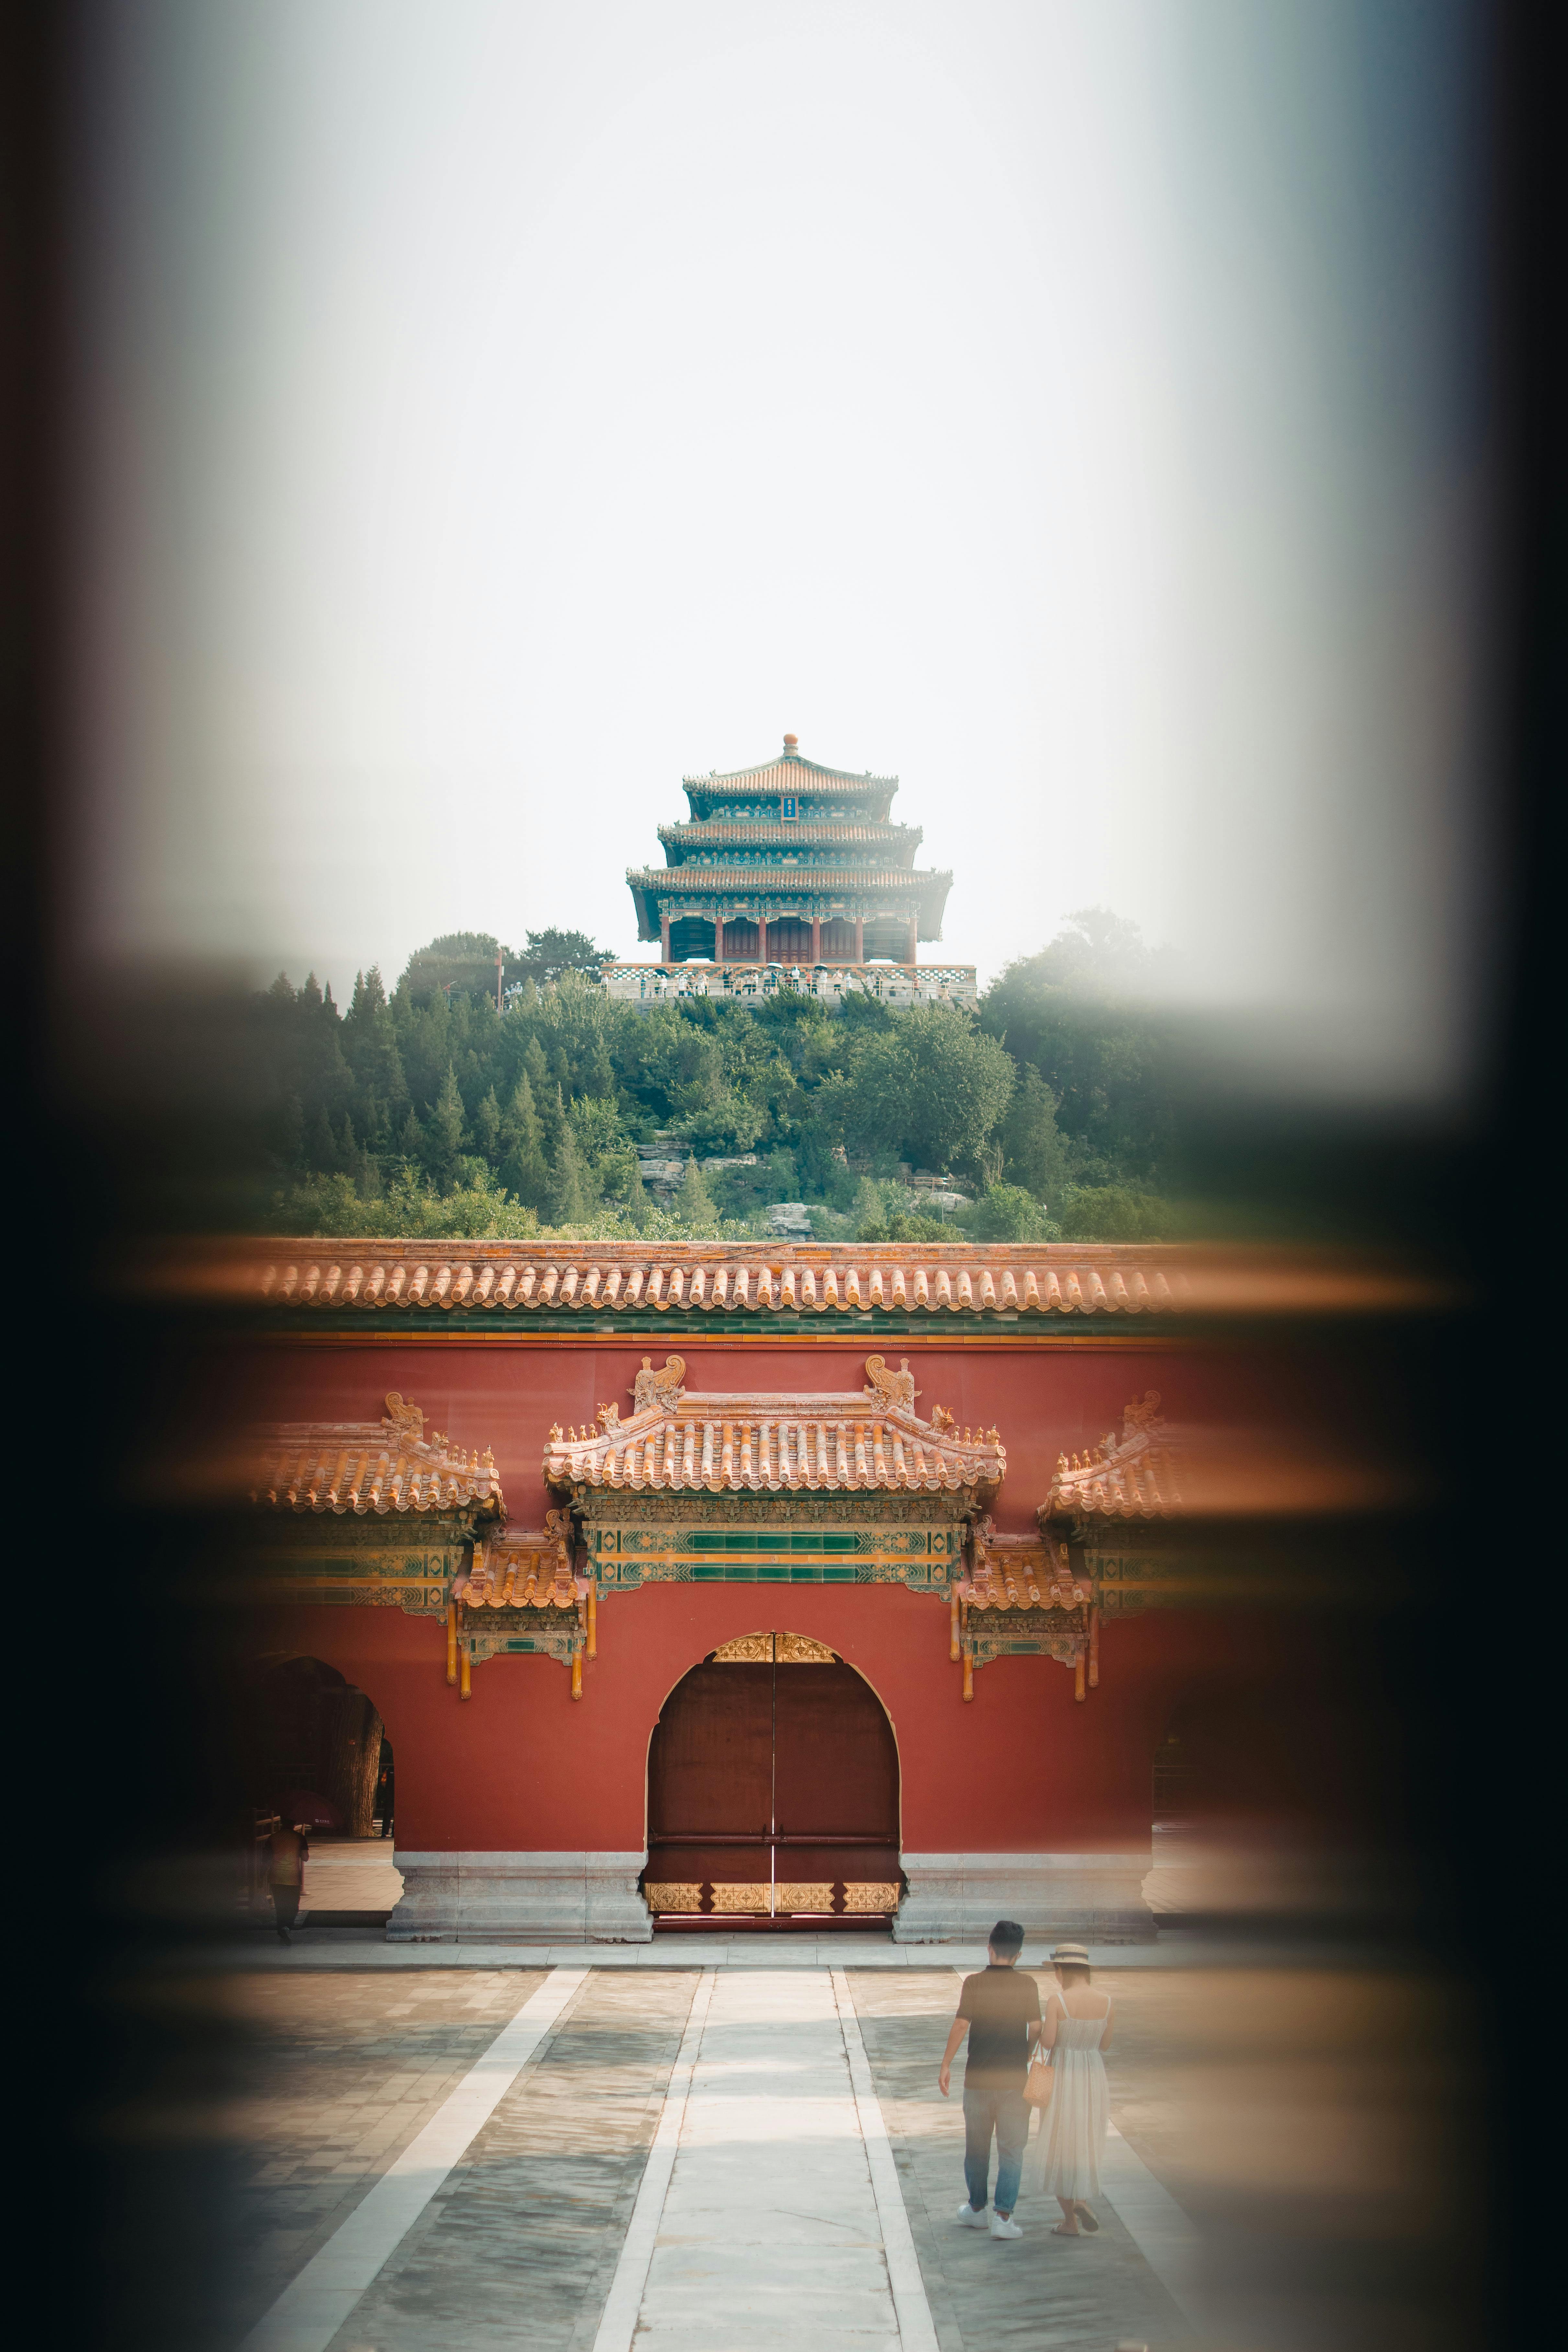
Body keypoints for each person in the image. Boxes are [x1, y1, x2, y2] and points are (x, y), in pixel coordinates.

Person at [938, 1918, 1042, 2241]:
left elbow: (960, 2025)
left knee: (977, 2148)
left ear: (990, 1948)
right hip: (1015, 2080)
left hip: (978, 2080)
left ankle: (977, 2209)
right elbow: (1037, 2027)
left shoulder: (974, 1984)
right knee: (1012, 2149)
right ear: (1019, 1955)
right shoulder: (1028, 1985)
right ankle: (1004, 2217)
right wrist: (1026, 2054)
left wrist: (945, 2065)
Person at [1027, 1940, 1113, 2233]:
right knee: (1086, 2137)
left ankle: (1070, 2221)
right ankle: (1082, 2199)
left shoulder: (1057, 2001)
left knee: (1060, 2139)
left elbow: (1049, 2042)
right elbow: (1105, 2044)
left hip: (1064, 2072)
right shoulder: (1108, 2001)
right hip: (1092, 2073)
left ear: (1061, 1970)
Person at [267, 1815, 310, 1944]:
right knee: (293, 1907)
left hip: (276, 1877)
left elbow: (267, 1857)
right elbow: (305, 1858)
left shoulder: (273, 1838)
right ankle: (287, 1928)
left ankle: (282, 1930)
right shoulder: (300, 1838)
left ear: (281, 1824)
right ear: (294, 1824)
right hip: (293, 1878)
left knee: (280, 1906)